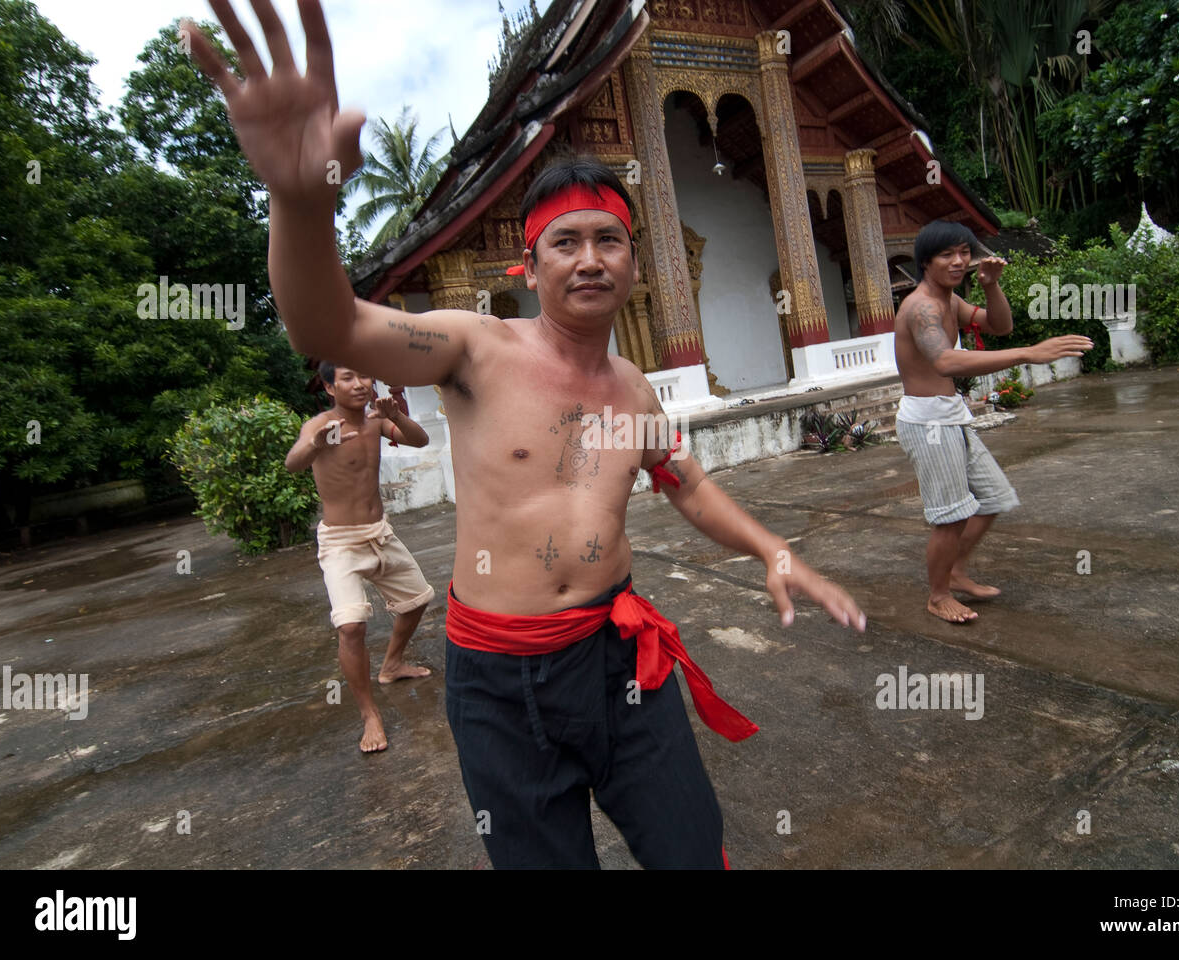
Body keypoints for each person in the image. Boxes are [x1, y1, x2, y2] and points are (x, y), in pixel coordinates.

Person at [186, 1, 865, 868]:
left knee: (692, 853)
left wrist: (774, 549)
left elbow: (685, 484)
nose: (590, 258)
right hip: (499, 682)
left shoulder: (634, 391)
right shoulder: (475, 348)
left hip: (621, 659)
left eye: (610, 240)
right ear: (531, 262)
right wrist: (297, 199)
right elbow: (326, 325)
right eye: (567, 242)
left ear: (634, 257)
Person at [893, 220, 1093, 624]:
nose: (958, 261)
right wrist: (1028, 354)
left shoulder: (948, 300)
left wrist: (990, 285)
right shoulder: (922, 307)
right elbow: (945, 361)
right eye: (947, 254)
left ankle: (957, 571)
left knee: (992, 499)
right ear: (925, 262)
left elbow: (1000, 326)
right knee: (951, 517)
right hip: (928, 424)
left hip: (952, 416)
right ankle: (938, 595)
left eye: (964, 252)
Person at [285, 361, 436, 752]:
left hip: (380, 533)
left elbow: (420, 441)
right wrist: (317, 444)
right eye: (347, 378)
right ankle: (370, 715)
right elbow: (293, 462)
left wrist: (396, 415)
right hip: (340, 542)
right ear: (330, 387)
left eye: (364, 376)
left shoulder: (375, 421)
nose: (359, 384)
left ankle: (392, 665)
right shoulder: (319, 426)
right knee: (351, 627)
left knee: (418, 599)